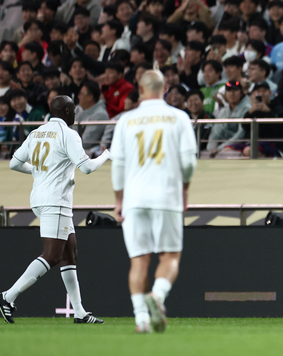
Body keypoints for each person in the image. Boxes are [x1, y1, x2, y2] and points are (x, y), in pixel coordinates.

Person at [0, 95, 111, 324]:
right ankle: (8, 296)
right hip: (55, 200)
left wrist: (41, 171)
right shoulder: (68, 134)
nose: (76, 114)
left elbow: (14, 163)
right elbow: (86, 168)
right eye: (73, 110)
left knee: (70, 252)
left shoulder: (37, 132)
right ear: (67, 111)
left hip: (40, 198)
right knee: (52, 255)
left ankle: (79, 312)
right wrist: (106, 155)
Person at [111, 68, 197, 333]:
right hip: (166, 196)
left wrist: (119, 199)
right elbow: (188, 162)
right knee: (170, 256)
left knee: (139, 261)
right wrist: (184, 189)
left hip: (135, 199)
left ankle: (141, 320)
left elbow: (118, 165)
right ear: (165, 89)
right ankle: (157, 297)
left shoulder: (126, 120)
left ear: (139, 88)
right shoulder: (179, 117)